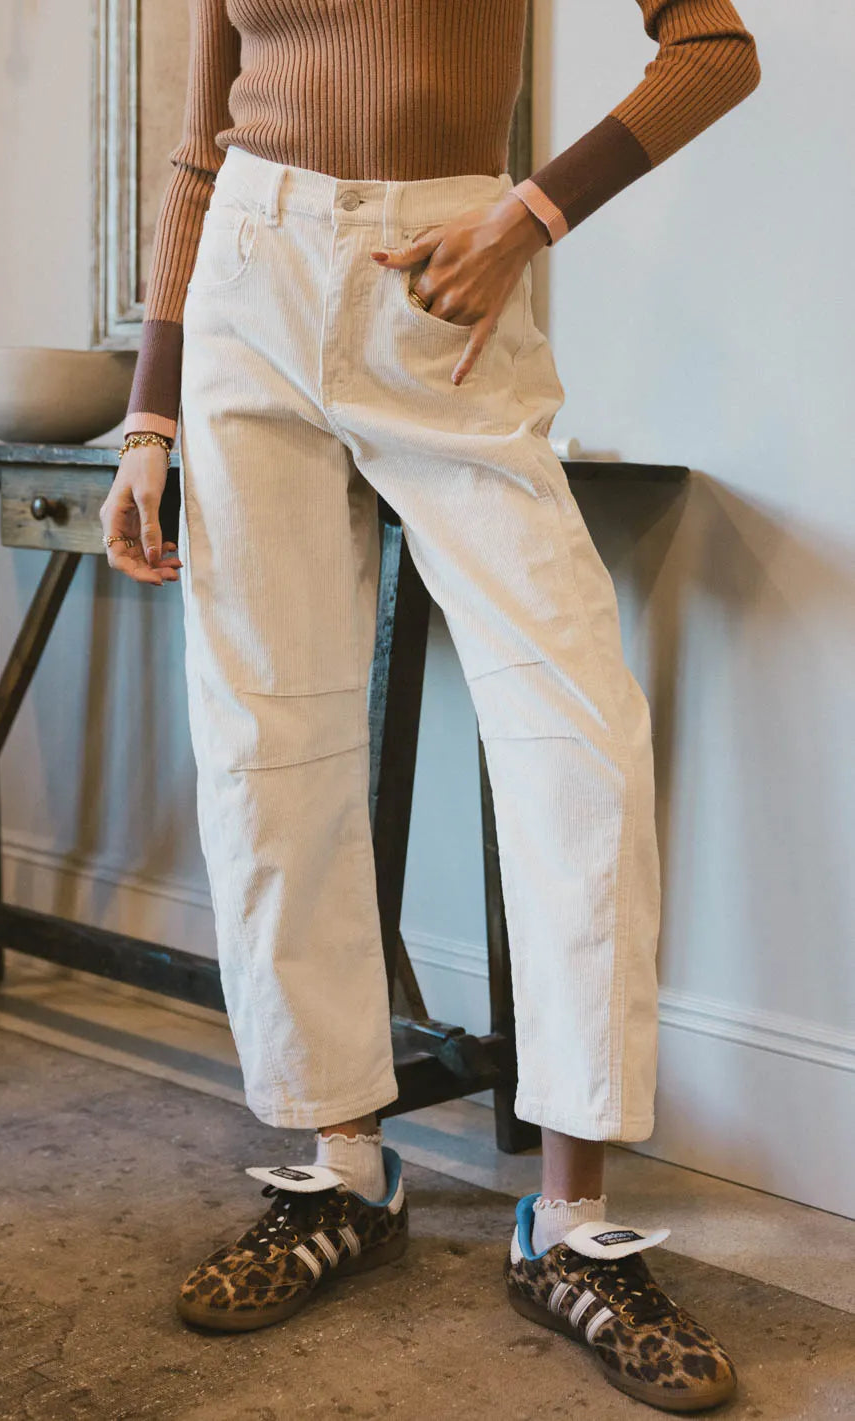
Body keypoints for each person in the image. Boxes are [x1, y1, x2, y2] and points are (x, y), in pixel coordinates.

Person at [100, 1, 760, 1410]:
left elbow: (714, 46)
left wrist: (529, 215)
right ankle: (343, 1169)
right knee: (269, 740)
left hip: (444, 275)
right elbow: (200, 150)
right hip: (247, 288)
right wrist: (150, 414)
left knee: (578, 736)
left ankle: (571, 1223)